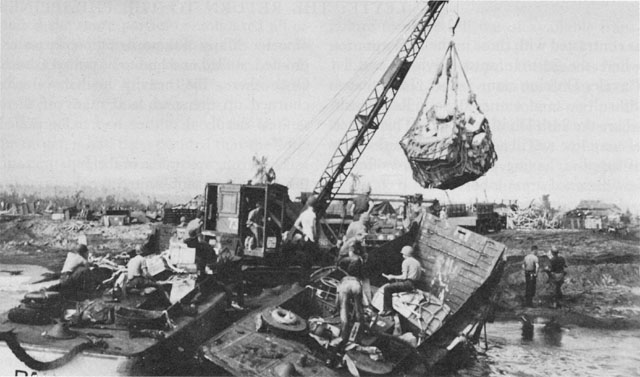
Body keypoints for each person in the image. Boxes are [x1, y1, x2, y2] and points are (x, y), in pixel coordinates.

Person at [379, 246, 422, 316]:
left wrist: (392, 276)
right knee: (395, 285)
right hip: (415, 284)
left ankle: (387, 309)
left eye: (403, 254)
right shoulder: (417, 262)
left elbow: (404, 277)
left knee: (387, 288)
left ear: (405, 254)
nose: (402, 256)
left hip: (408, 284)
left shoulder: (406, 262)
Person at [335, 247, 365, 338]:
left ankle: (344, 335)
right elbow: (361, 302)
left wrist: (337, 308)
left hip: (344, 286)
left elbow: (337, 301)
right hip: (356, 285)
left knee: (343, 309)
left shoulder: (341, 281)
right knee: (358, 310)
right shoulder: (358, 278)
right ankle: (360, 332)